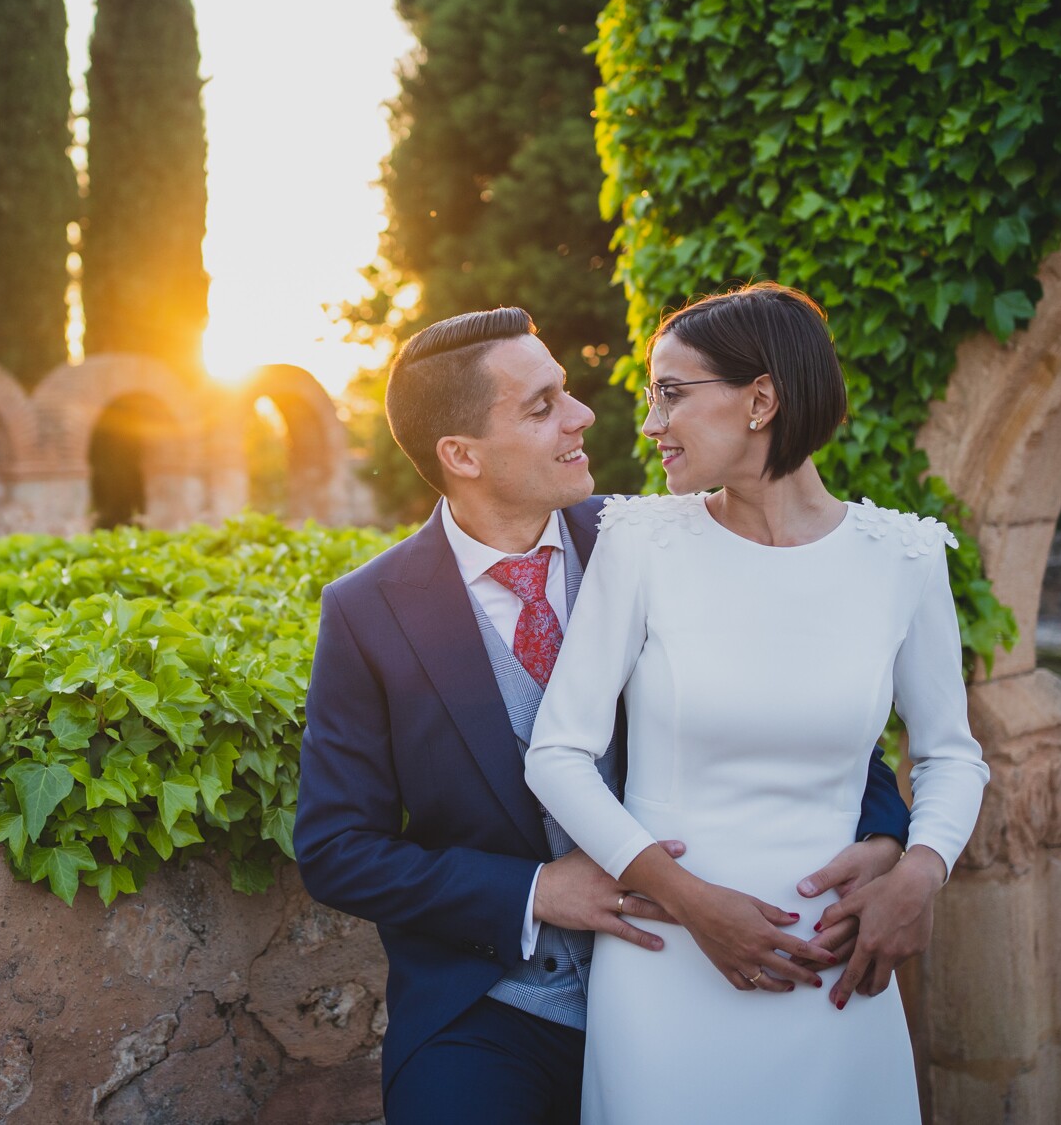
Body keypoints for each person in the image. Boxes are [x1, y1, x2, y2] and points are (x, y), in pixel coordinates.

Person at [295, 306, 934, 1125]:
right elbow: (337, 848)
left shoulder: (656, 540)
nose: (584, 414)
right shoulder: (368, 611)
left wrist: (887, 838)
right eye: (541, 405)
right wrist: (535, 891)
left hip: (697, 972)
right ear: (461, 455)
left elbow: (793, 717)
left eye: (565, 391)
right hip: (495, 1005)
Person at [523, 283, 991, 1124]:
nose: (650, 422)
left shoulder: (905, 558)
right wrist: (690, 899)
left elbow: (951, 752)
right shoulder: (640, 544)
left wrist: (921, 868)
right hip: (668, 963)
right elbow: (557, 754)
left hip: (836, 969)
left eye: (671, 392)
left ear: (761, 399)